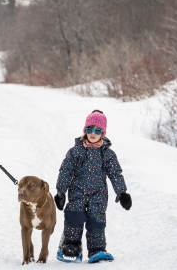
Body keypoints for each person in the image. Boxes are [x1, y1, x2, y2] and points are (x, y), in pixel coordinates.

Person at [53, 110, 132, 263]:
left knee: (97, 221)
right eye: (90, 129)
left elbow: (115, 173)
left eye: (97, 130)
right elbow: (65, 171)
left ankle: (97, 249)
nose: (93, 133)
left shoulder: (107, 154)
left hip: (98, 194)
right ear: (85, 131)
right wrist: (61, 191)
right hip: (77, 192)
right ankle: (71, 245)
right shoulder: (76, 151)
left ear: (103, 133)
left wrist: (122, 192)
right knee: (74, 217)